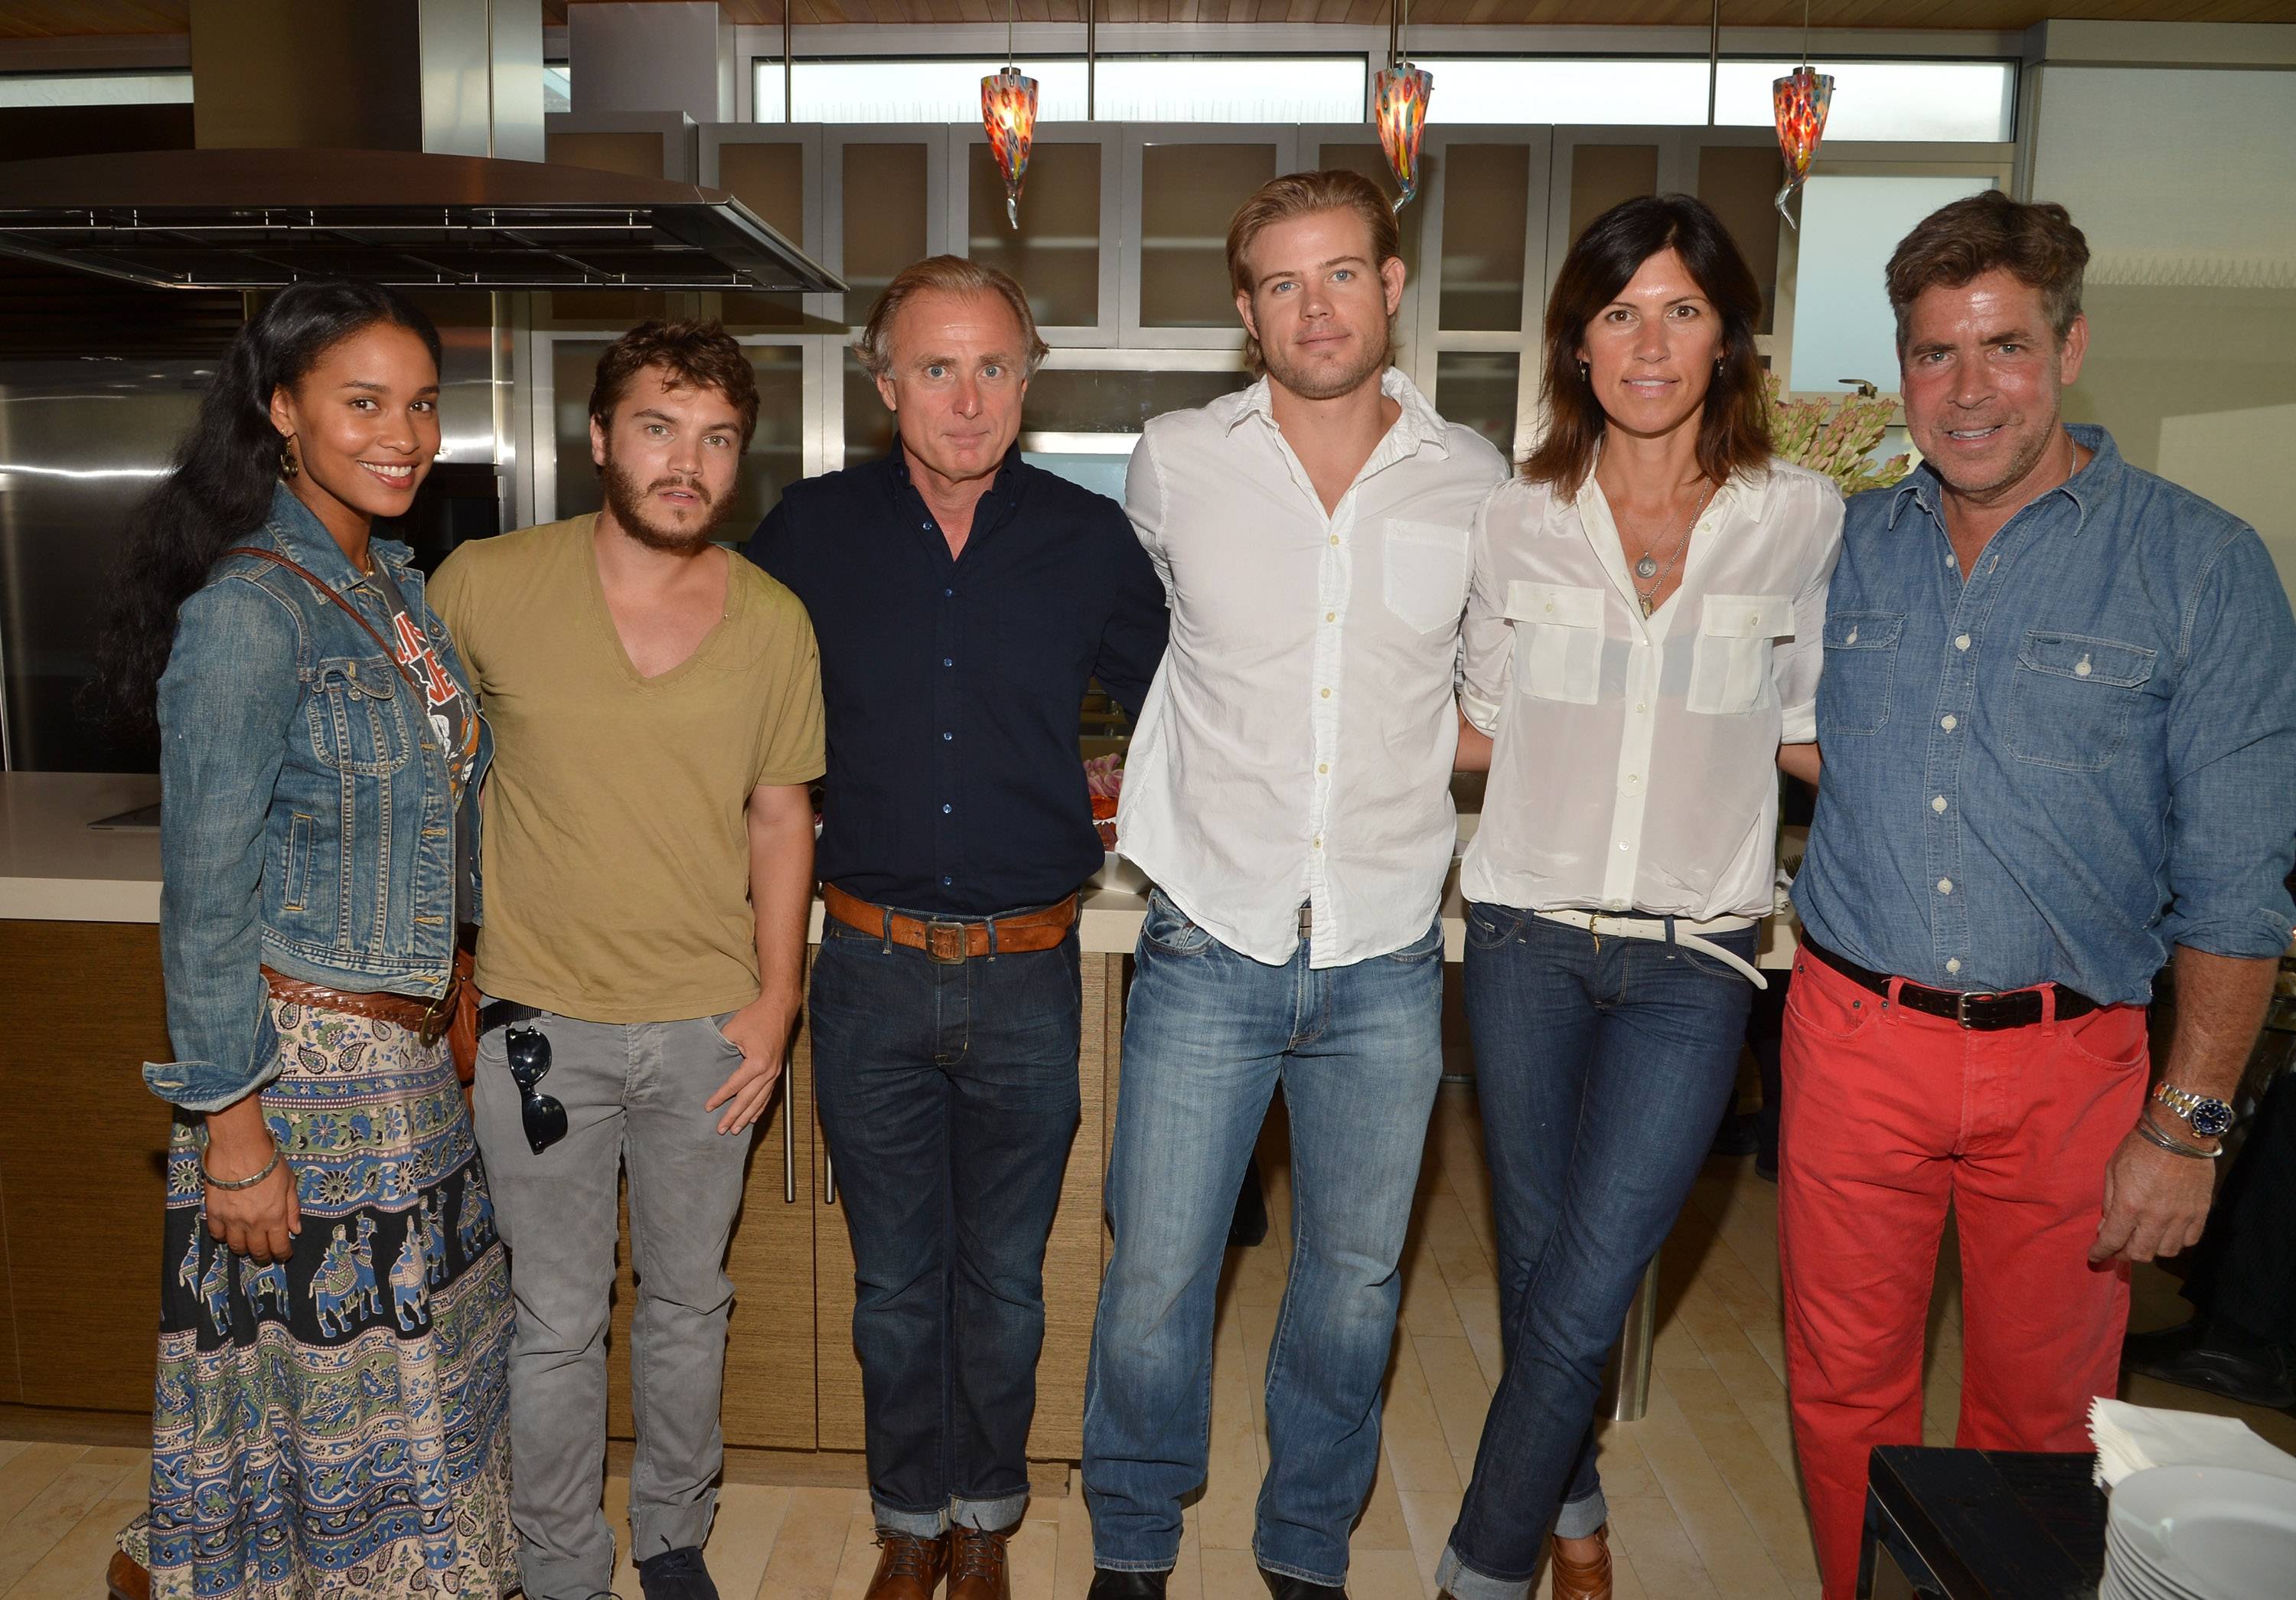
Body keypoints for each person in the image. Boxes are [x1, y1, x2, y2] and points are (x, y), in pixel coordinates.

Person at [1784, 192, 2296, 1599]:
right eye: (1934, 353)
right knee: (1843, 1391)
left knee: (2041, 1420)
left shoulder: (2202, 566)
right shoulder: (1843, 548)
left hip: (2074, 1063)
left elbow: (2239, 885)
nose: (1967, 389)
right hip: (1854, 1036)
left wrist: (2187, 1125)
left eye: (2003, 346)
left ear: (2070, 349)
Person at [1081, 168, 1508, 1600]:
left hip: (1386, 947)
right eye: (1282, 282)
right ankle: (1134, 1545)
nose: (1314, 307)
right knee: (1157, 1270)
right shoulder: (1173, 460)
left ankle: (1306, 1546)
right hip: (1209, 934)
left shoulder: (1474, 478)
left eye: (1340, 274)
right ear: (1247, 311)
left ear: (1392, 286)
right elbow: (1157, 649)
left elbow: (1484, 703)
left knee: (1355, 1278)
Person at [1437, 194, 1841, 1600]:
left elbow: (1809, 728)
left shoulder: (1802, 520)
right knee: (1543, 1268)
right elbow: (1478, 725)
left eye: (1682, 310)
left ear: (1727, 337)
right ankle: (1576, 1509)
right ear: (1579, 342)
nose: (1651, 343)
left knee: (1591, 1274)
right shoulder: (1516, 518)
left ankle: (1477, 1567)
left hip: (1695, 959)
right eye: (1620, 313)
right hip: (1525, 941)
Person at [745, 256, 1166, 1600]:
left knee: (1005, 1285)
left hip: (1031, 974)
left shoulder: (1087, 539)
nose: (968, 398)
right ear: (886, 383)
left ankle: (984, 1519)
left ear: (1027, 380)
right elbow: (719, 702)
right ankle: (906, 1521)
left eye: (994, 367)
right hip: (866, 968)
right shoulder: (810, 532)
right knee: (892, 1290)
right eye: (938, 368)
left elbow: (1189, 706)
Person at [95, 279, 514, 1600]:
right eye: (363, 402)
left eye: (423, 404)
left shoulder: (390, 586)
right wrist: (233, 1128)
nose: (404, 435)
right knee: (332, 1402)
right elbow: (205, 897)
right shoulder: (249, 612)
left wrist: (455, 982)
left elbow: (433, 821)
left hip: (407, 1069)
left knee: (421, 1379)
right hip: (305, 1079)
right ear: (282, 411)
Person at [429, 322, 824, 1600]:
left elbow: (782, 818)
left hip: (711, 1032)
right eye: (658, 428)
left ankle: (671, 1536)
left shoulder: (773, 620)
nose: (685, 463)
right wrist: (441, 966)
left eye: (716, 439)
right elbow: (413, 782)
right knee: (556, 1319)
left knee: (689, 1303)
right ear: (599, 438)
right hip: (539, 1028)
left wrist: (777, 1001)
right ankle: (560, 1567)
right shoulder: (484, 584)